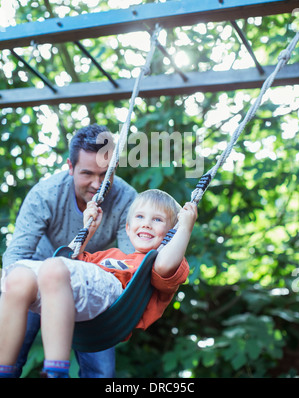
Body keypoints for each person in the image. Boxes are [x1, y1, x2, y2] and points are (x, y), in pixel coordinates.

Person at [0, 189, 197, 378]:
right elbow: (72, 263)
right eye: (139, 217)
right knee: (18, 277)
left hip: (112, 302)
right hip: (70, 294)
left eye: (157, 219)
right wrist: (88, 231)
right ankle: (4, 370)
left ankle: (55, 372)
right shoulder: (109, 255)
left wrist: (185, 228)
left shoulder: (155, 263)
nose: (146, 224)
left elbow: (164, 266)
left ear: (171, 234)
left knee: (53, 267)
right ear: (127, 229)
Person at [1, 124, 137, 378]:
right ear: (70, 167)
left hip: (93, 278)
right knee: (13, 353)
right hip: (40, 271)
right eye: (87, 173)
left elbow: (131, 265)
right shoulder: (46, 194)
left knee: (102, 372)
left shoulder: (127, 199)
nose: (97, 184)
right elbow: (15, 258)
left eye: (105, 174)